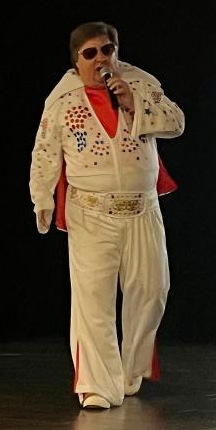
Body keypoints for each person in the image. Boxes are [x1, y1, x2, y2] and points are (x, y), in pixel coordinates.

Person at [29, 22, 185, 410]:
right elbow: (45, 152)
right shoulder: (62, 101)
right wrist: (42, 198)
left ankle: (129, 370)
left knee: (152, 290)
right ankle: (98, 385)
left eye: (107, 49)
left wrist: (135, 104)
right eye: (91, 53)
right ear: (76, 60)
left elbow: (177, 123)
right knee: (93, 300)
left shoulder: (141, 84)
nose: (101, 59)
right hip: (91, 211)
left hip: (142, 207)